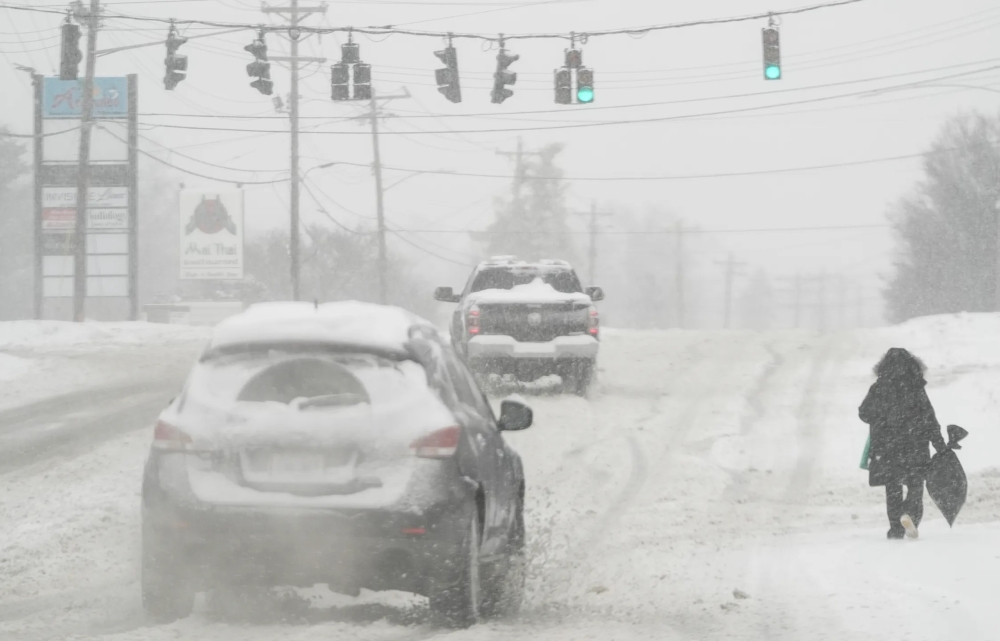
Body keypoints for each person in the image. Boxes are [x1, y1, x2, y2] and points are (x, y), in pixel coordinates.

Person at [859, 348, 947, 539]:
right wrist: (939, 444)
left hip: (887, 447)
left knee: (893, 488)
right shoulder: (916, 387)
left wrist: (882, 418)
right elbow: (929, 418)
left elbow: (864, 413)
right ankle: (910, 514)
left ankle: (896, 528)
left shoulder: (879, 387)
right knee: (915, 485)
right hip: (915, 446)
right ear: (911, 365)